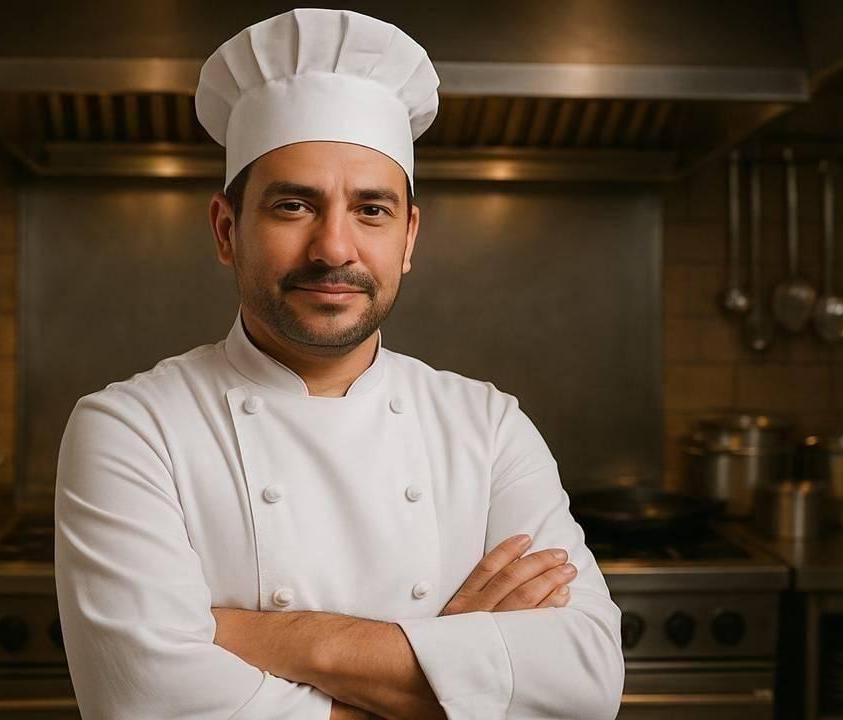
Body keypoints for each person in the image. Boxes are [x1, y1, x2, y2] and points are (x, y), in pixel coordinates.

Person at [54, 8, 624, 720]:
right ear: (227, 231)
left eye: (371, 210)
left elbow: (587, 680)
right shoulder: (132, 429)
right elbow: (145, 703)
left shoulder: (487, 427)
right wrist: (459, 676)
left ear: (408, 238)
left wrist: (283, 638)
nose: (333, 248)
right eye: (294, 206)